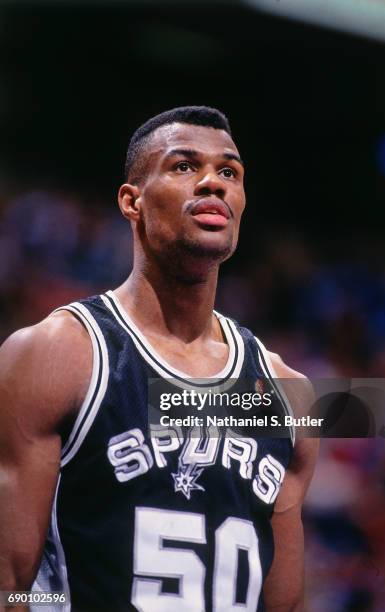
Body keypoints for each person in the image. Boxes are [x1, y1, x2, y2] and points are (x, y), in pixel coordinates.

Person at [0, 106, 318, 612]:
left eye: (229, 172)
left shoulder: (286, 391)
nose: (213, 183)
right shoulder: (54, 354)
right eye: (185, 166)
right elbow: (11, 582)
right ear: (132, 201)